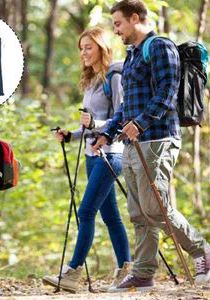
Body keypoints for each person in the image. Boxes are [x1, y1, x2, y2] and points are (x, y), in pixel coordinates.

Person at [92, 0, 210, 292]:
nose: (116, 30)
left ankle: (202, 252)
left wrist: (142, 122)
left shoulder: (159, 46)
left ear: (135, 18)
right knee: (137, 211)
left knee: (155, 206)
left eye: (119, 24)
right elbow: (126, 106)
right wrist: (108, 132)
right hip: (133, 141)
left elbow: (168, 91)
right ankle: (144, 272)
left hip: (158, 137)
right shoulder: (131, 56)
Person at [43, 27, 132, 293]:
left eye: (88, 47)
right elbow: (89, 128)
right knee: (111, 217)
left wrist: (95, 123)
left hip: (111, 154)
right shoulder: (92, 81)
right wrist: (70, 135)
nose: (83, 52)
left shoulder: (114, 76)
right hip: (92, 156)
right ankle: (126, 269)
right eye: (81, 48)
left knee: (85, 212)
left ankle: (72, 272)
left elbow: (121, 117)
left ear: (102, 48)